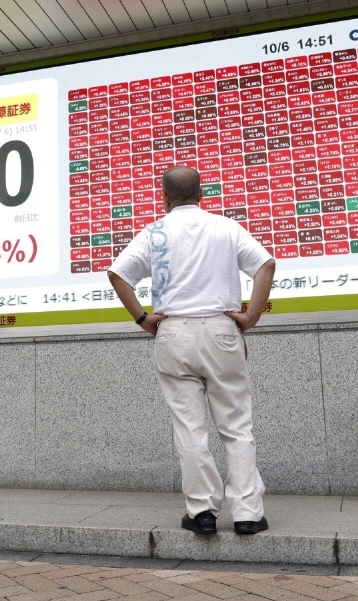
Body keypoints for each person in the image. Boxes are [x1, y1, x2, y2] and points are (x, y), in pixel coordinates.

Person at [107, 165, 276, 536]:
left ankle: (202, 512)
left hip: (173, 333)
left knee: (189, 427)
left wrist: (142, 318)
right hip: (221, 331)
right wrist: (251, 316)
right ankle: (247, 514)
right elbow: (266, 264)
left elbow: (117, 274)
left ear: (164, 197)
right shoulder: (226, 227)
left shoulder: (153, 232)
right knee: (236, 426)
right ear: (202, 194)